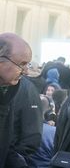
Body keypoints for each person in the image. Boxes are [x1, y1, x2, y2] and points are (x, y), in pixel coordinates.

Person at [0, 32, 42, 167]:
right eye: (21, 64)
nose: (26, 71)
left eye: (27, 65)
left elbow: (6, 145)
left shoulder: (10, 91)